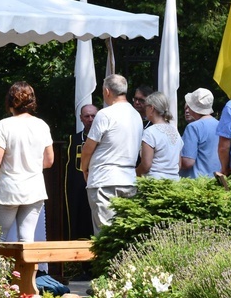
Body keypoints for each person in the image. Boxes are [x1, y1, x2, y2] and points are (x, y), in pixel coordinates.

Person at [0, 82, 54, 261]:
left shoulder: (4, 125)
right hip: (34, 189)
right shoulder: (42, 125)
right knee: (27, 239)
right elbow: (49, 161)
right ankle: (25, 285)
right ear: (32, 102)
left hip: (9, 189)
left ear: (9, 102)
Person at [81, 74, 143, 235]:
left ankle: (107, 262)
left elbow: (88, 148)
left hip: (104, 180)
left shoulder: (105, 114)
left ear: (107, 91)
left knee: (105, 235)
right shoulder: (136, 115)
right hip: (129, 179)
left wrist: (84, 169)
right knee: (125, 235)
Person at [64, 104, 98, 240]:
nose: (90, 119)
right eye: (87, 116)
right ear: (81, 119)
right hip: (79, 188)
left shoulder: (105, 138)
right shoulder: (74, 140)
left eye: (93, 116)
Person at [136, 91, 182, 180]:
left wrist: (135, 172)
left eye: (146, 107)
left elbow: (146, 165)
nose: (145, 110)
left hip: (154, 183)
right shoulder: (175, 131)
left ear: (152, 108)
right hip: (174, 182)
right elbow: (179, 164)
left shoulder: (150, 132)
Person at [180, 88, 221, 179]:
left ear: (192, 107)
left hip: (196, 183)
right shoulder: (220, 125)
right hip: (216, 180)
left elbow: (187, 162)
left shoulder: (193, 127)